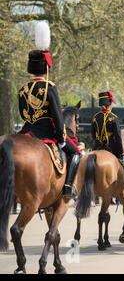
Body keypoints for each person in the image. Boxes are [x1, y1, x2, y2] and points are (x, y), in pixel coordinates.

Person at [18, 21, 79, 198]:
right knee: (75, 153)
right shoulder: (49, 87)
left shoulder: (23, 89)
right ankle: (68, 188)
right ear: (46, 67)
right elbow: (57, 118)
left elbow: (23, 114)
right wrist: (61, 137)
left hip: (26, 131)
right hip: (46, 133)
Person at [91, 91, 124, 166]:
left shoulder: (95, 117)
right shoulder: (114, 118)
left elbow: (93, 135)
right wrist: (121, 153)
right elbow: (118, 138)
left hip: (97, 146)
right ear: (109, 104)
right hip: (111, 147)